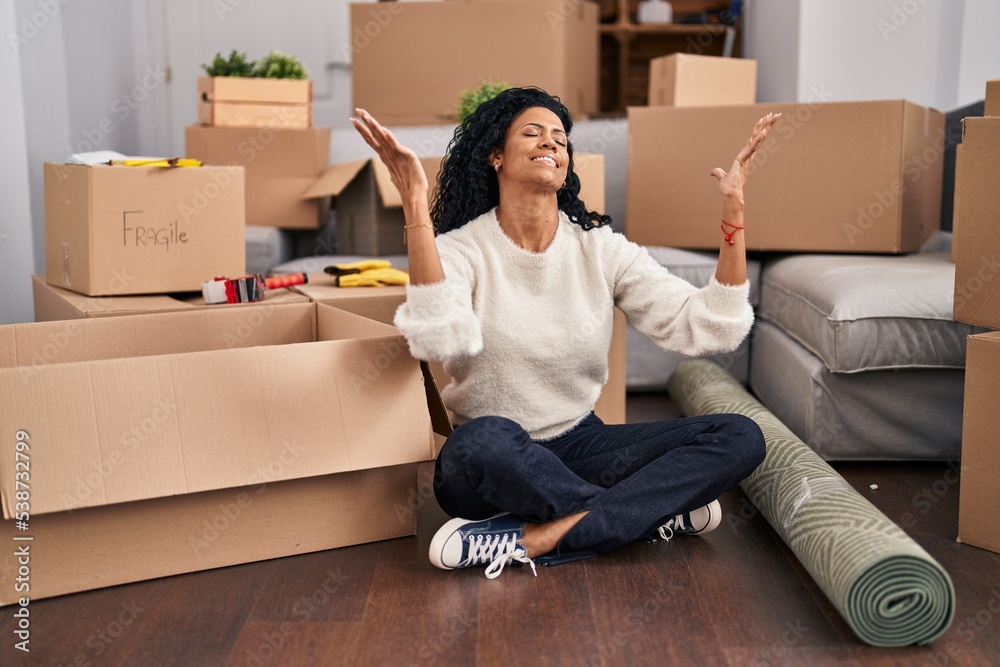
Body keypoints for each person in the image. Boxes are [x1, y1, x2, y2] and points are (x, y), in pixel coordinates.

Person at [351, 87, 777, 579]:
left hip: (580, 450)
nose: (550, 142)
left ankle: (538, 537)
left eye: (560, 137)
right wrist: (414, 207)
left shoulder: (600, 250)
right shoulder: (462, 250)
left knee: (739, 435)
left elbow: (709, 327)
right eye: (531, 133)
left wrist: (734, 217)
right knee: (479, 444)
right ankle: (646, 513)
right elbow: (436, 338)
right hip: (496, 456)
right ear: (496, 155)